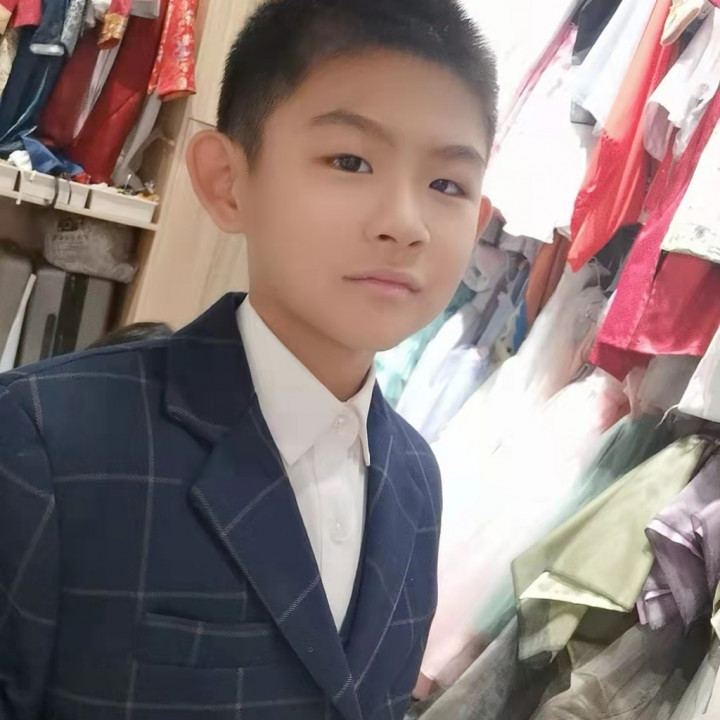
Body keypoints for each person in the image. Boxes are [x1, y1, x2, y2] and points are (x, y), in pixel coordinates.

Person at [0, 1, 497, 718]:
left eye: (447, 184)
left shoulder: (417, 478)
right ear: (227, 181)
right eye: (350, 161)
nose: (405, 223)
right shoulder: (43, 441)